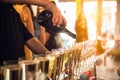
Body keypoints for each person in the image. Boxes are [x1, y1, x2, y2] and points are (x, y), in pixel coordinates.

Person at [0, 0, 67, 66]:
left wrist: (51, 57)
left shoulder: (11, 11)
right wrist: (47, 4)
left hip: (17, 70)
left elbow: (29, 39)